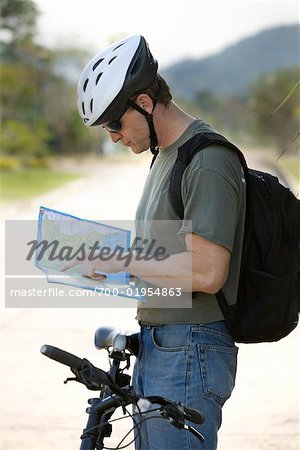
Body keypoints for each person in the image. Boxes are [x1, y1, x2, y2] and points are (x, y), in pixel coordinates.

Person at [75, 34, 246, 450]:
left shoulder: (206, 159)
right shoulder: (165, 155)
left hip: (189, 347)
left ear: (146, 104)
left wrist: (125, 259)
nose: (113, 137)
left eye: (115, 123)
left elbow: (207, 271)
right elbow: (164, 260)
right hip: (162, 344)